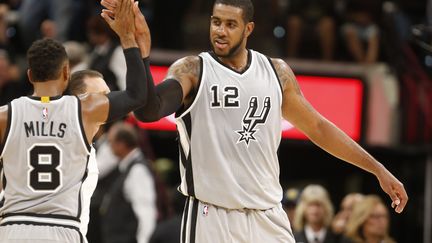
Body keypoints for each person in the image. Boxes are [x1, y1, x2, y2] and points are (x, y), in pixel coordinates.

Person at [101, 0, 408, 242]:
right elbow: (148, 110)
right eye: (216, 22)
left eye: (230, 24)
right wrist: (135, 47)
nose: (220, 31)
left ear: (248, 29)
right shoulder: (193, 70)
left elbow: (318, 128)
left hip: (268, 215)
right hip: (212, 216)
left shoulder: (277, 72)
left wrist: (378, 169)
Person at [0, 0, 150, 242]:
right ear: (67, 73)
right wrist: (127, 37)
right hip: (62, 227)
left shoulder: (6, 116)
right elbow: (137, 95)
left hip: (13, 228)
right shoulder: (85, 110)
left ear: (29, 76)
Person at [101, 122, 157, 243]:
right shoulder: (127, 168)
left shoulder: (138, 170)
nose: (109, 148)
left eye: (111, 142)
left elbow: (146, 212)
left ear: (121, 144)